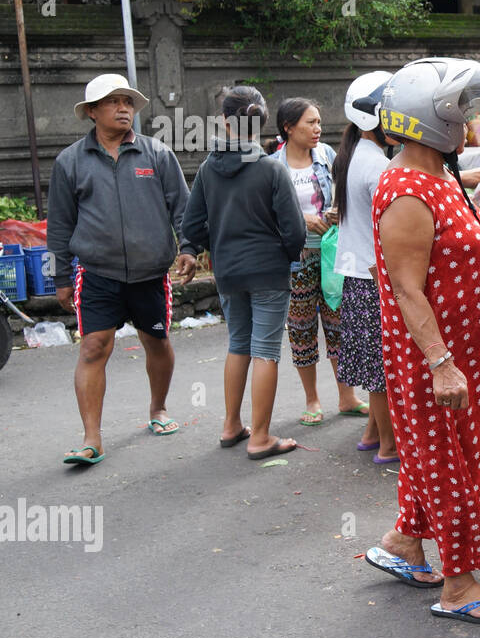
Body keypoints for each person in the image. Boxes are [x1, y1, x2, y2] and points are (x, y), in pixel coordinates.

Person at [363, 57, 480, 623]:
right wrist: (443, 365)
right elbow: (405, 289)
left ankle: (405, 544)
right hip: (441, 358)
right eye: (462, 109)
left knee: (441, 453)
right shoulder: (407, 193)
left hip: (475, 353)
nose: (473, 118)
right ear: (432, 119)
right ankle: (458, 584)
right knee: (451, 457)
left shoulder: (436, 175)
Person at [47, 73, 198, 466]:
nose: (123, 109)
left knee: (157, 342)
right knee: (94, 347)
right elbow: (60, 224)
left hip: (151, 274)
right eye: (113, 102)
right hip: (97, 273)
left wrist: (190, 248)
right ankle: (91, 438)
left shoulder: (156, 154)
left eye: (127, 102)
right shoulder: (70, 162)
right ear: (92, 112)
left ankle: (158, 409)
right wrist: (61, 277)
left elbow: (182, 208)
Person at [181, 86, 306, 459]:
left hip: (229, 271)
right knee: (266, 350)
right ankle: (261, 437)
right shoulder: (271, 168)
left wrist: (217, 243)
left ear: (224, 121)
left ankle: (231, 425)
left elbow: (192, 225)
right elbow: (295, 230)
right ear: (262, 122)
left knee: (238, 344)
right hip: (268, 270)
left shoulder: (207, 168)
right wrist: (283, 255)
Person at [269, 99, 368, 426]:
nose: (318, 129)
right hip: (295, 259)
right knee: (301, 329)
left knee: (340, 324)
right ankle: (312, 399)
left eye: (319, 122)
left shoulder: (326, 156)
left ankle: (347, 396)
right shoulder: (273, 165)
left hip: (331, 254)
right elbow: (265, 212)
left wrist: (337, 210)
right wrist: (302, 219)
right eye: (310, 123)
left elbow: (346, 192)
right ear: (288, 127)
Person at [332, 71, 400, 465]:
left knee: (376, 366)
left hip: (357, 276)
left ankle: (373, 433)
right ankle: (389, 446)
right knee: (383, 370)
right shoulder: (378, 167)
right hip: (374, 277)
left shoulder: (356, 153)